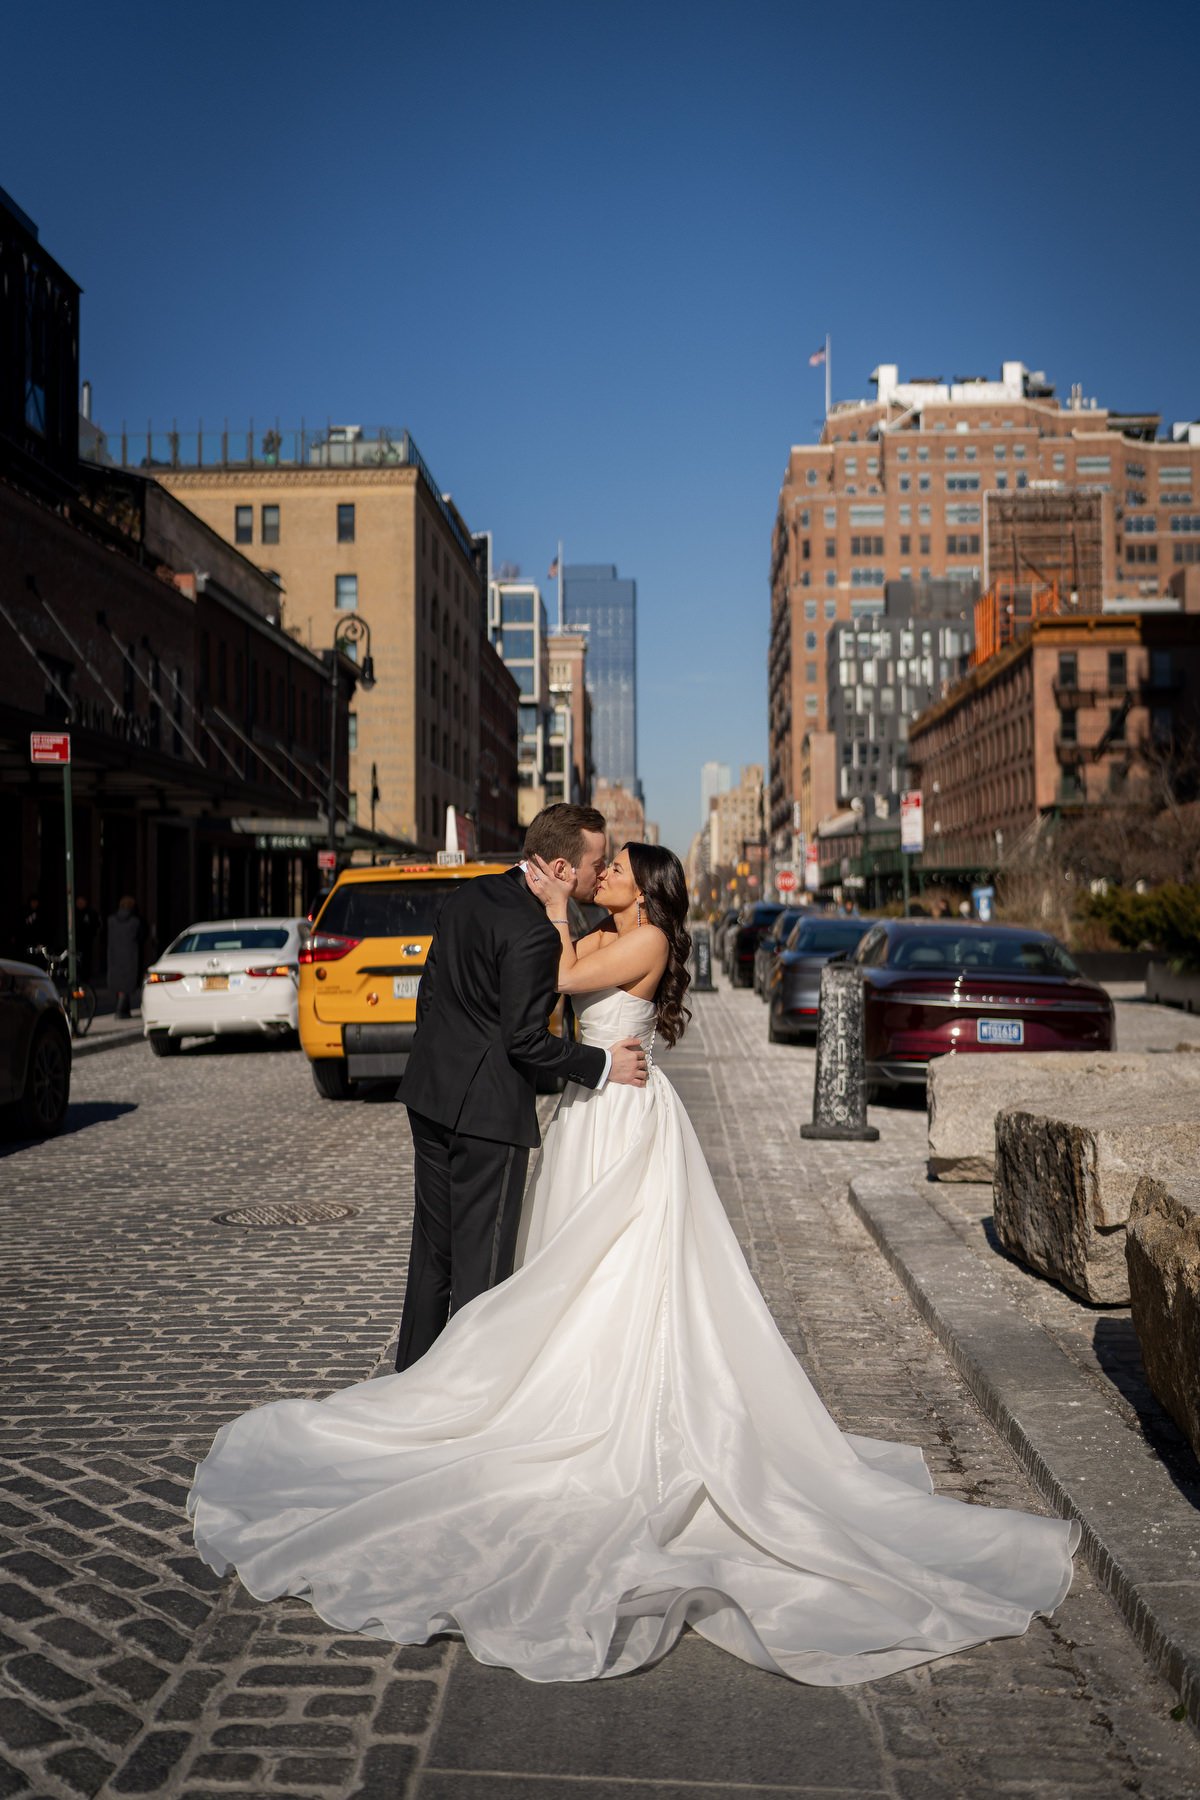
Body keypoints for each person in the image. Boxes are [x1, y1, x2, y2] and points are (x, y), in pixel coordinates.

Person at [188, 837, 1077, 1687]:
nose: (601, 874)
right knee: (568, 1260)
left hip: (621, 1116)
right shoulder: (611, 929)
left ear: (645, 889)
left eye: (614, 868)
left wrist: (552, 909)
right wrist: (563, 921)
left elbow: (562, 979)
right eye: (601, 865)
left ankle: (611, 1401)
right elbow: (565, 978)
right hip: (592, 1105)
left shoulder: (643, 938)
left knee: (617, 1262)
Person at [394, 804, 648, 1370]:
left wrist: (439, 1066)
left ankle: (407, 1382)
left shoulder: (467, 896)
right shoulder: (536, 933)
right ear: (560, 868)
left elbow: (428, 999)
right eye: (596, 863)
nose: (599, 874)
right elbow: (525, 1042)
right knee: (482, 1274)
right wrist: (601, 1064)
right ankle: (468, 1392)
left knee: (432, 1259)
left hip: (429, 1097)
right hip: (488, 1118)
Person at [106, 896, 143, 1019]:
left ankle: (124, 1010)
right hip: (130, 956)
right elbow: (141, 936)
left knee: (119, 984)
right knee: (126, 984)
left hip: (114, 956)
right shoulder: (135, 922)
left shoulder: (111, 921)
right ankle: (120, 1011)